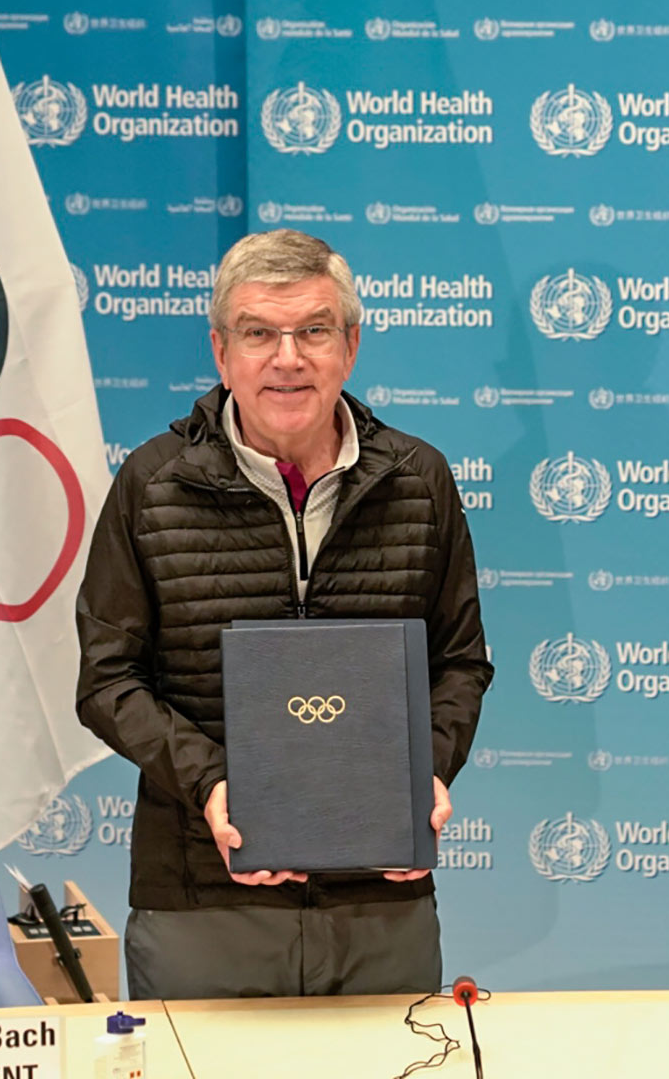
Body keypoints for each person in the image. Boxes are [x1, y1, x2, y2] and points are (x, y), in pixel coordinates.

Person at [76, 228, 492, 999]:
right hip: (202, 900)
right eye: (259, 333)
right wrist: (212, 784)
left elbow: (460, 663)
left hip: (381, 900)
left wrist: (425, 771)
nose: (287, 358)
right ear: (221, 351)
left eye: (313, 331)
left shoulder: (420, 480)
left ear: (351, 346)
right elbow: (107, 682)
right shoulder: (151, 485)